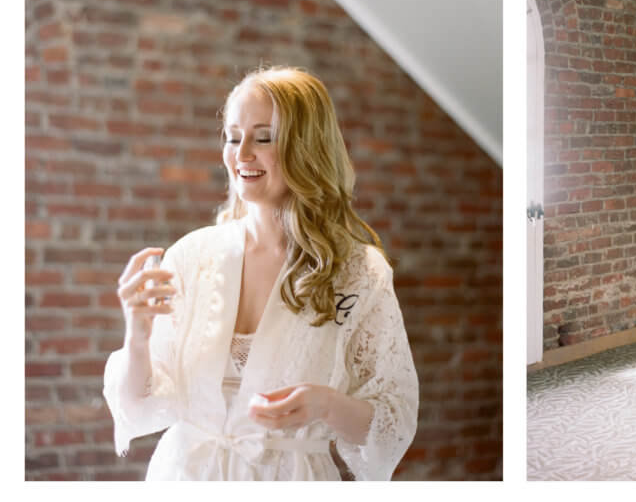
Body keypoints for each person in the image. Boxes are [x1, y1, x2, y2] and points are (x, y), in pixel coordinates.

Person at [103, 66, 419, 480]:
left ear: (307, 148)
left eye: (263, 137)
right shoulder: (192, 256)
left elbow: (393, 421)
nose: (241, 154)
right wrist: (138, 337)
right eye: (233, 137)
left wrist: (324, 404)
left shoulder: (358, 271)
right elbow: (140, 407)